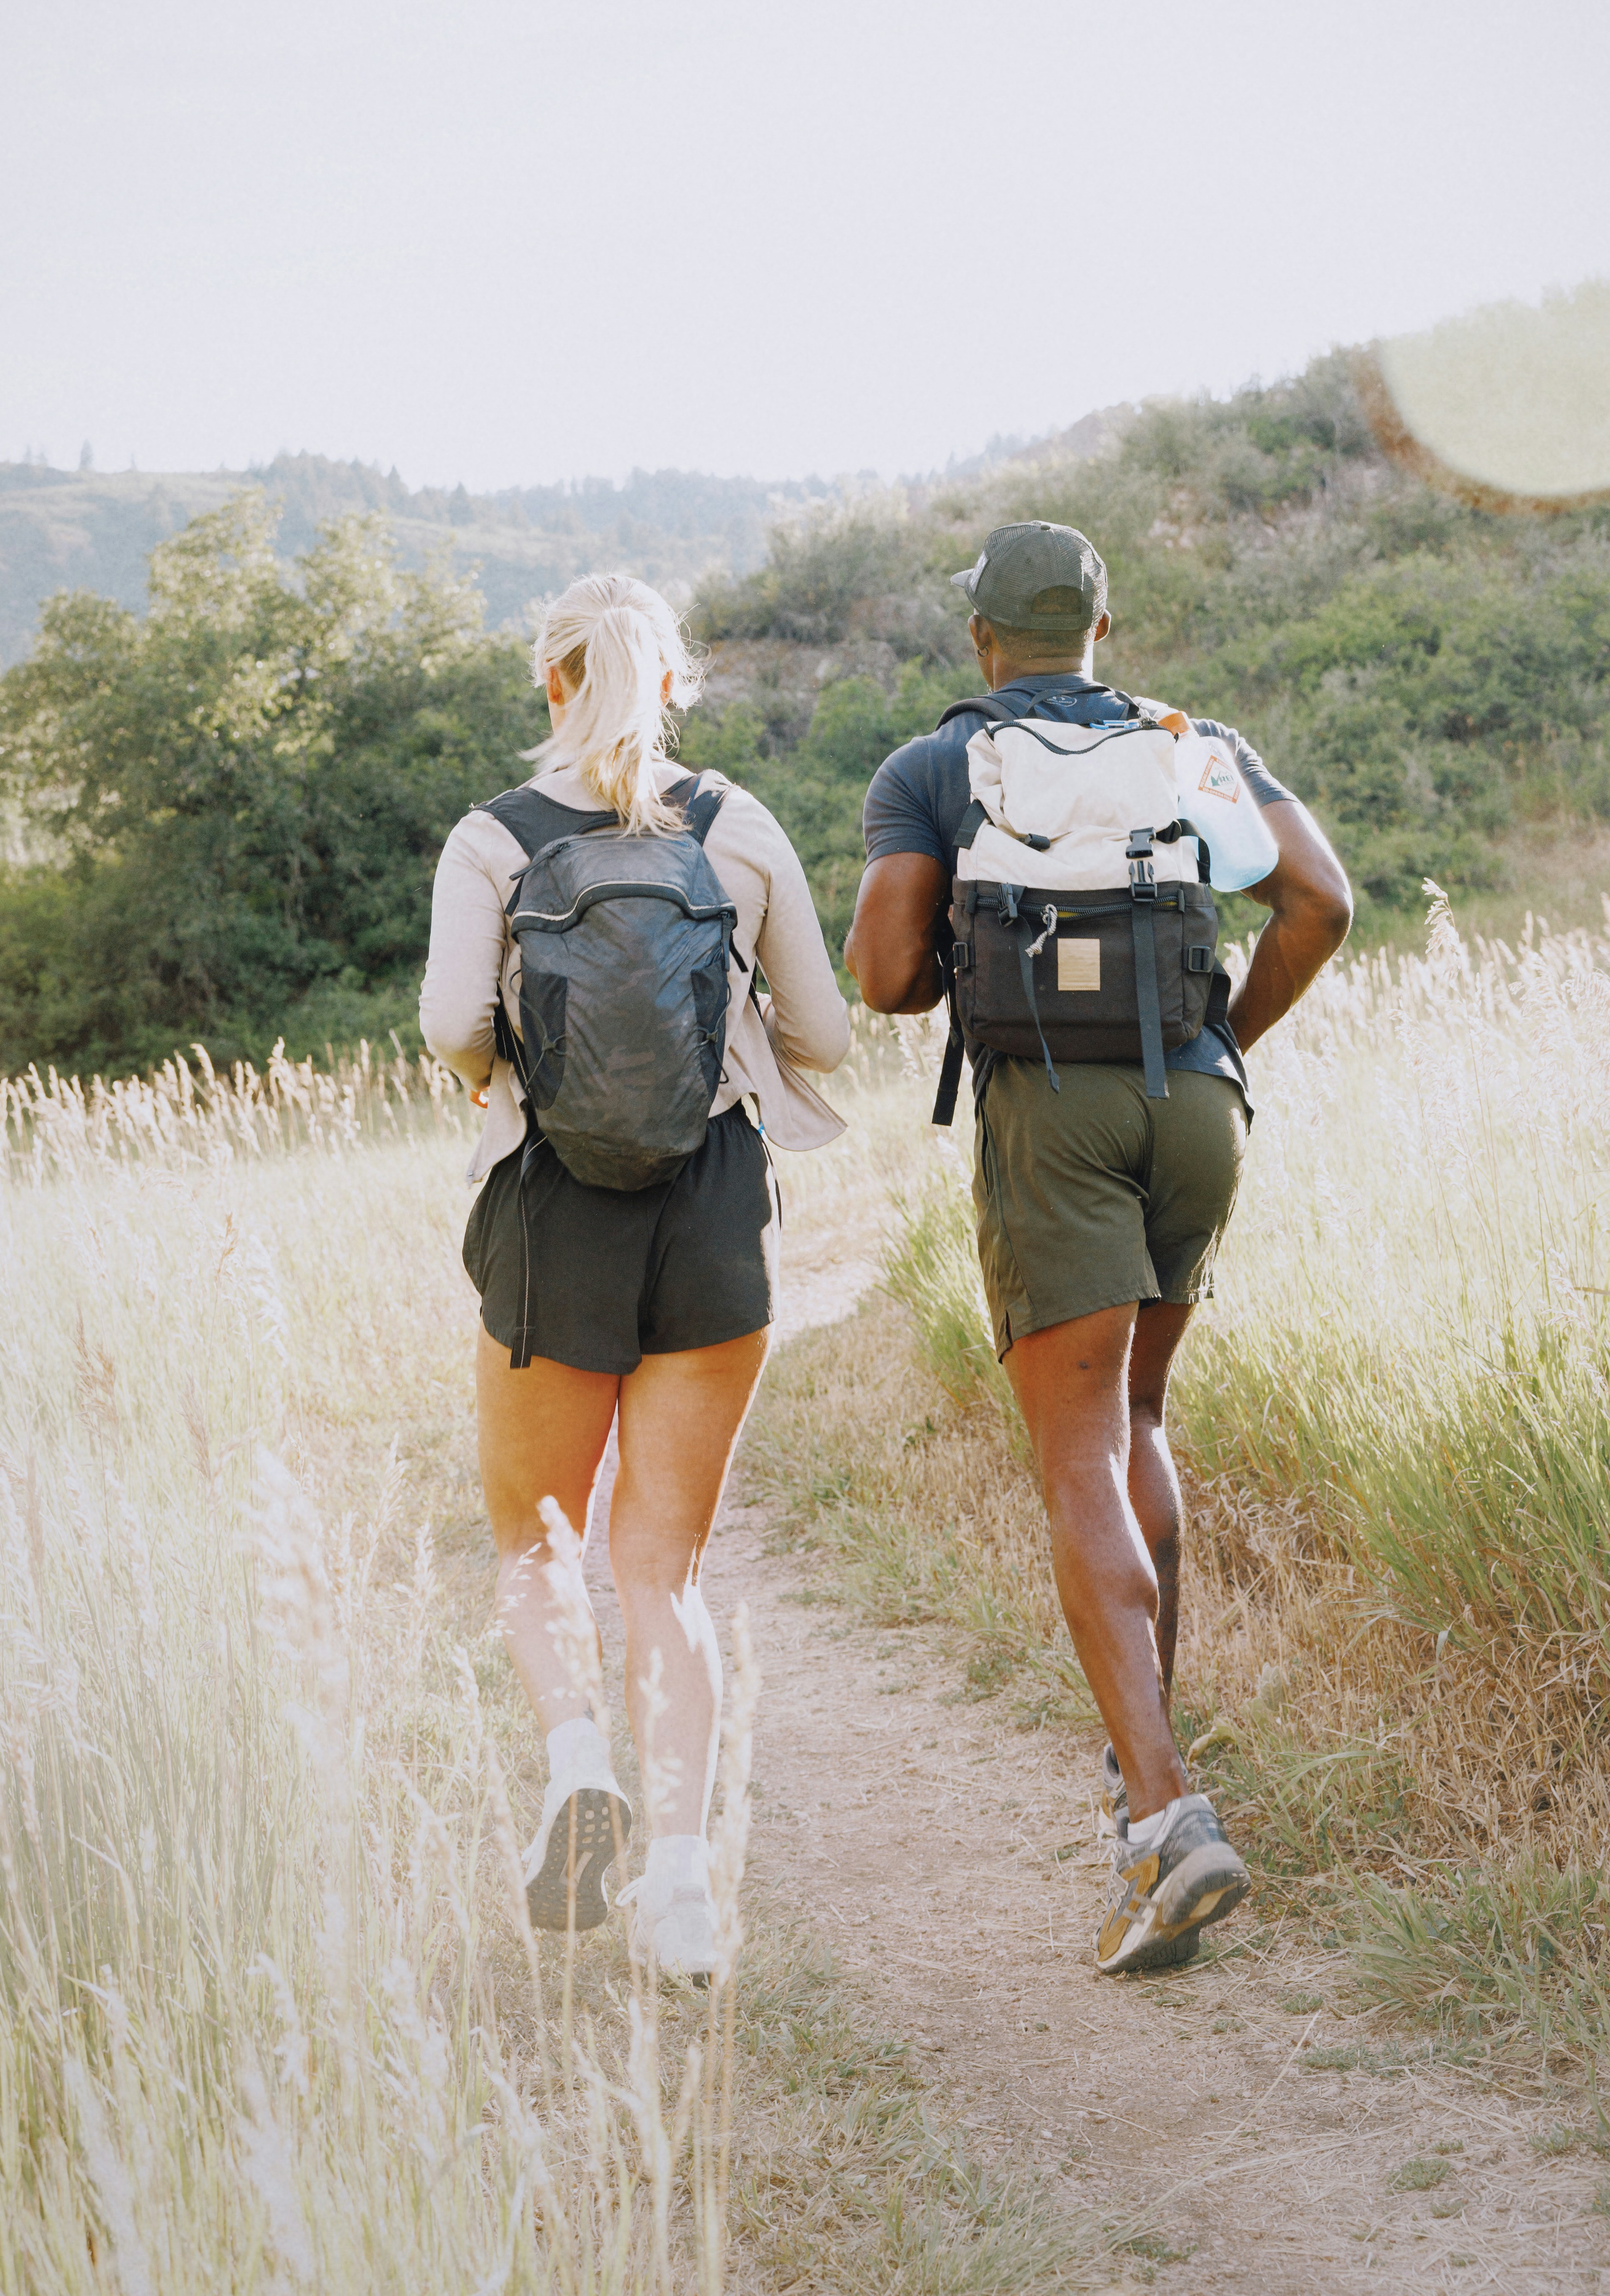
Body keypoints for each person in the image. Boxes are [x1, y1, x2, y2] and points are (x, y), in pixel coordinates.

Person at [845, 521, 1351, 1978]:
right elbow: (1321, 901)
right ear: (1102, 629)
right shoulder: (1196, 747)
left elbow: (884, 975)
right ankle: (1149, 1778)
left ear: (981, 638)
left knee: (1077, 1454)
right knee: (1140, 1417)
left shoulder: (936, 766)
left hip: (1050, 1114)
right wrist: (1215, 1041)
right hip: (1196, 1106)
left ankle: (1164, 1810)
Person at [422, 572, 850, 1982]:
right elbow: (828, 1038)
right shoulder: (739, 826)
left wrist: (505, 1069)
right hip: (714, 1207)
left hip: (552, 1209)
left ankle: (576, 1766)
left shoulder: (494, 839)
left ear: (551, 680)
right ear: (673, 684)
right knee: (663, 1572)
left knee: (537, 1542)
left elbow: (450, 1021)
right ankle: (678, 1893)